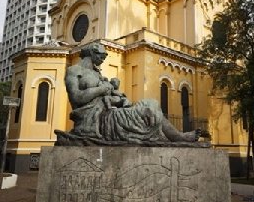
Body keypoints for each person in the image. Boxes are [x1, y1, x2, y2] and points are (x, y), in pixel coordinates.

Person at [57, 42, 205, 145]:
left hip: (108, 111)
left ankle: (178, 136)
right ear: (92, 52)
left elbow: (110, 96)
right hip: (93, 119)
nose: (103, 59)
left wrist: (120, 100)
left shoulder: (97, 74)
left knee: (150, 104)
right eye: (101, 56)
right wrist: (102, 89)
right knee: (143, 110)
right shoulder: (74, 71)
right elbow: (76, 97)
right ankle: (177, 137)